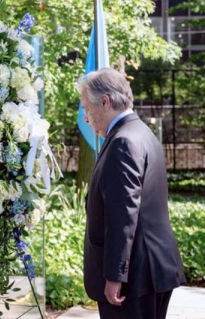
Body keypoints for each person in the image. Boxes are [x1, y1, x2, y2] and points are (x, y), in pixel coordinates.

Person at [77, 68, 185, 319]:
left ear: (104, 102)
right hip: (148, 272)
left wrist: (115, 276)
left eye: (86, 108)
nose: (85, 118)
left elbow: (122, 216)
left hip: (134, 279)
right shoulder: (141, 132)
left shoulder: (123, 142)